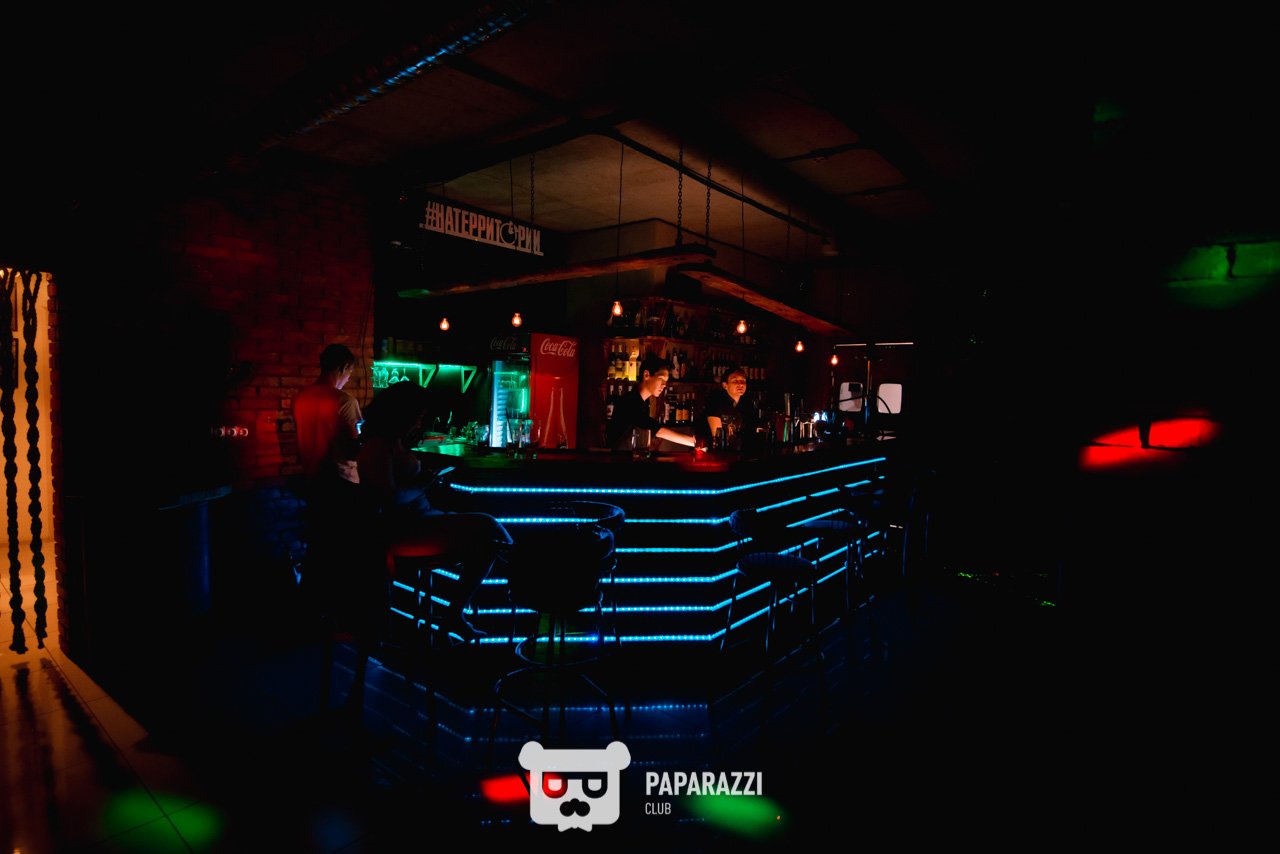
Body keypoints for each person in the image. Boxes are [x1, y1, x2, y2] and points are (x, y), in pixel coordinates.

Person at [356, 381, 513, 642]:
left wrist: (423, 480)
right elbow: (388, 498)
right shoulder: (377, 447)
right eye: (417, 416)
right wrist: (423, 484)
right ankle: (525, 573)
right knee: (488, 527)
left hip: (421, 521)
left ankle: (457, 613)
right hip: (406, 532)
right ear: (401, 414)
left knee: (487, 543)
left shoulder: (391, 442)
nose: (420, 422)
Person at [293, 343, 363, 487]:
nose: (348, 379)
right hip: (342, 479)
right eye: (349, 373)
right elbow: (352, 449)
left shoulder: (300, 397)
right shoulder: (345, 401)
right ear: (344, 368)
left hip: (311, 477)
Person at [605, 355, 698, 453]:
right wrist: (693, 442)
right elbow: (654, 428)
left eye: (666, 381)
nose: (664, 385)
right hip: (617, 459)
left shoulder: (645, 403)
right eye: (661, 378)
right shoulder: (628, 401)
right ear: (646, 375)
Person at [698, 365, 765, 450]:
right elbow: (717, 437)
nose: (740, 384)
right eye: (735, 381)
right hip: (714, 451)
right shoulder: (715, 404)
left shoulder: (747, 405)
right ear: (725, 385)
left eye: (743, 381)